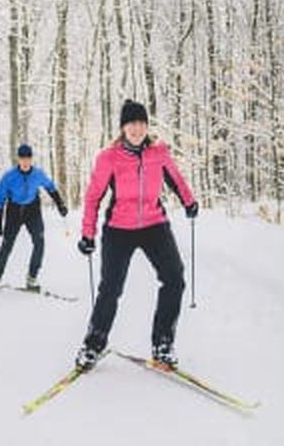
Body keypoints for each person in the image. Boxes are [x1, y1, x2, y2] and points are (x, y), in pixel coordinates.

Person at [74, 99, 198, 370]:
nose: (137, 128)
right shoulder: (109, 158)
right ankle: (93, 344)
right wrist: (88, 234)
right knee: (110, 289)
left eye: (141, 123)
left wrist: (189, 201)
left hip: (154, 224)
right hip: (119, 228)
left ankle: (163, 343)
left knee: (174, 278)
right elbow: (94, 197)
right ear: (123, 127)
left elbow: (176, 179)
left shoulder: (159, 152)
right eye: (131, 123)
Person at [0, 144, 68, 292]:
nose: (25, 162)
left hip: (32, 210)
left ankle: (32, 278)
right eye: (22, 158)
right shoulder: (9, 177)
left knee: (39, 242)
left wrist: (60, 205)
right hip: (14, 211)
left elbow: (51, 188)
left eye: (28, 158)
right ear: (18, 159)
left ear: (31, 159)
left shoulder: (38, 174)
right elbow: (0, 200)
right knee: (6, 246)